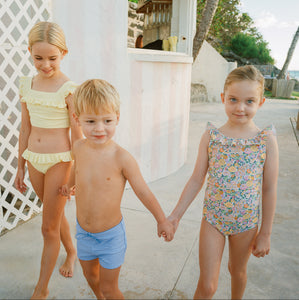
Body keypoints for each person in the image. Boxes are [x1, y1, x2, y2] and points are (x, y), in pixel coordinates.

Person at [168, 65, 279, 299]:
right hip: (213, 220)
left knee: (237, 271)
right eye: (233, 99)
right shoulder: (212, 136)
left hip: (246, 223)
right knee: (207, 285)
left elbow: (269, 189)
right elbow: (197, 179)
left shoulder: (266, 140)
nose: (240, 107)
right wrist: (175, 215)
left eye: (249, 101)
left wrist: (266, 233)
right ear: (223, 98)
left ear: (261, 102)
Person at [60, 79, 174, 299]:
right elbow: (77, 168)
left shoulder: (122, 158)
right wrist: (69, 184)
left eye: (107, 120)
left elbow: (143, 192)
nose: (99, 128)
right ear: (77, 119)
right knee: (92, 279)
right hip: (84, 233)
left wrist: (162, 219)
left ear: (117, 118)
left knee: (109, 288)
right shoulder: (79, 147)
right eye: (91, 121)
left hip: (110, 236)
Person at [14, 21, 82, 299]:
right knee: (54, 215)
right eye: (38, 58)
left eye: (52, 58)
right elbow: (25, 128)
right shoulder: (26, 84)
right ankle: (73, 252)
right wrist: (19, 166)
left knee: (47, 225)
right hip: (33, 160)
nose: (45, 64)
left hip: (60, 162)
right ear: (30, 51)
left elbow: (77, 137)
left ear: (63, 53)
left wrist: (76, 175)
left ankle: (41, 290)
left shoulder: (69, 89)